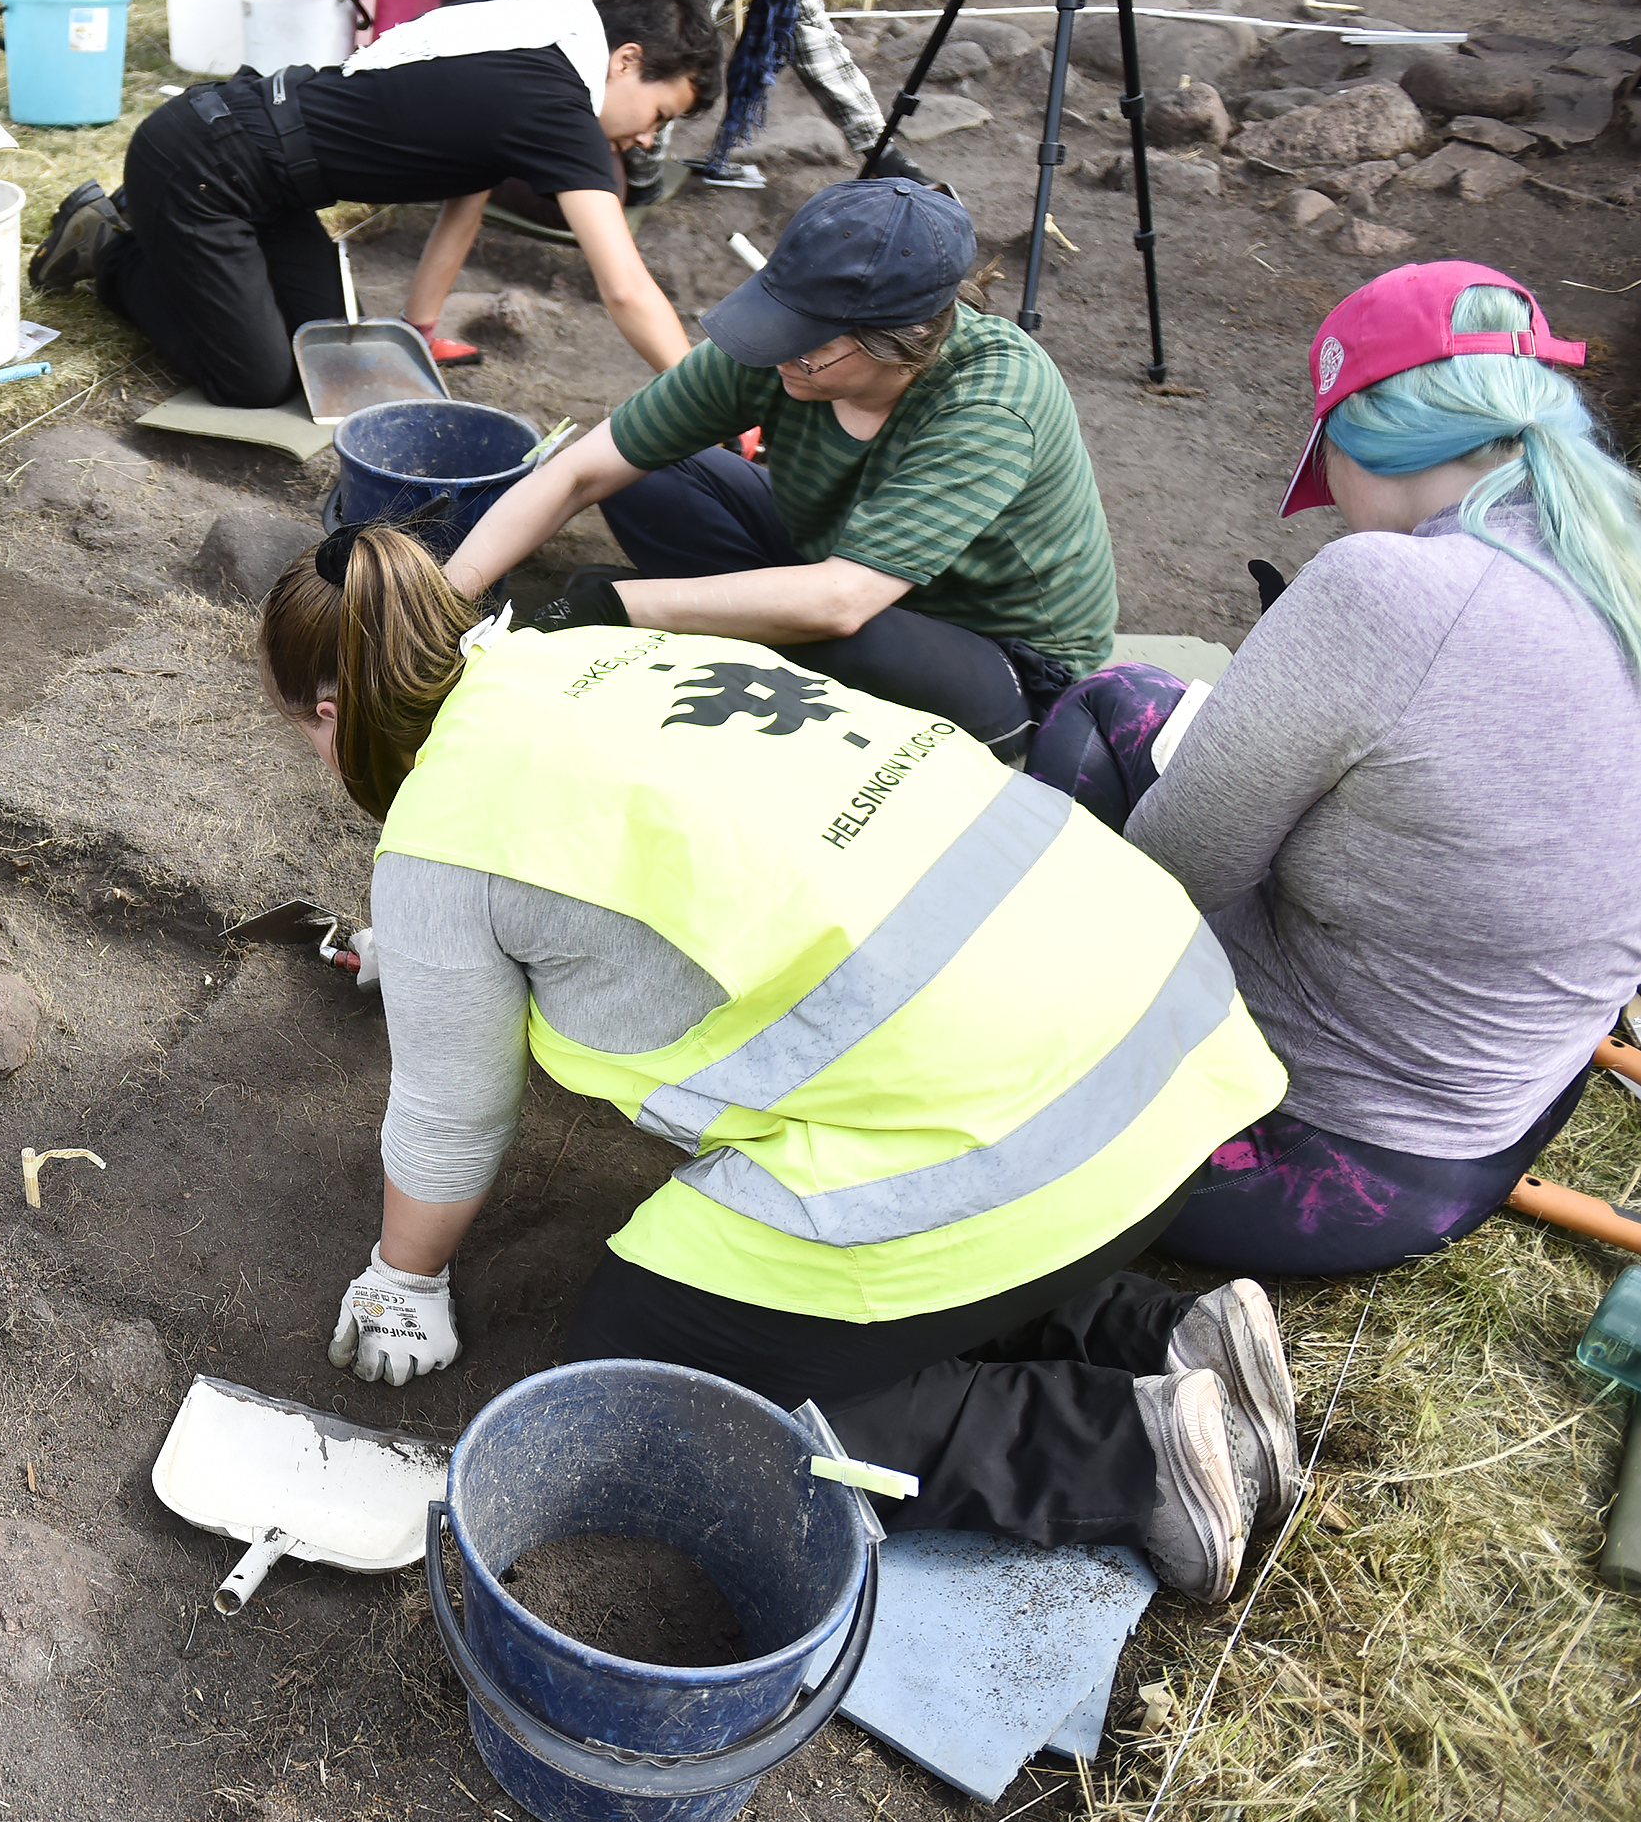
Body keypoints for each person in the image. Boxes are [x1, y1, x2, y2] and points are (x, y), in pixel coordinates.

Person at [265, 525, 1299, 1597]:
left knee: (638, 1371)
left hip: (1014, 1124)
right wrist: (436, 950)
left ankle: (1127, 1456)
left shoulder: (441, 836)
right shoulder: (608, 652)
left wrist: (403, 1276)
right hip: (1156, 1032)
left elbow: (450, 1119)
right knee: (882, 1198)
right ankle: (1169, 1330)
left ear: (332, 716)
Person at [1028, 265, 1641, 1277]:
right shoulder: (1610, 553)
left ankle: (1015, 1014)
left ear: (1363, 435)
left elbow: (1175, 875)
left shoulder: (1389, 589)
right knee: (1145, 707)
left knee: (1102, 719)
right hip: (1503, 1113)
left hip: (1307, 1161)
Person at [441, 176, 1116, 759]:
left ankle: (713, 632)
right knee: (651, 475)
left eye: (807, 347)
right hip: (839, 558)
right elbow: (582, 470)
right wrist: (440, 598)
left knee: (827, 644)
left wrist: (613, 605)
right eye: (777, 326)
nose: (779, 355)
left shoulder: (992, 398)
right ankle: (718, 617)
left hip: (997, 651)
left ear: (901, 343)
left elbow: (840, 601)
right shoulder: (784, 348)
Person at [395, 0, 928, 367]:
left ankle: (480, 172)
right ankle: (445, 147)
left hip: (593, 2)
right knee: (594, 189)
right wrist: (639, 169)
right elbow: (665, 55)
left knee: (586, 153)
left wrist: (879, 146)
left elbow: (803, 21)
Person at [29, 0, 721, 411]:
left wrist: (415, 334)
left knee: (326, 359)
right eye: (658, 114)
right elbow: (624, 287)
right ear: (626, 59)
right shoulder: (560, 104)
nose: (644, 140)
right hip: (204, 164)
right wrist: (709, 401)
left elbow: (465, 199)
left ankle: (154, 228)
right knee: (256, 382)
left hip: (260, 176)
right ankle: (113, 247)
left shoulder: (542, 33)